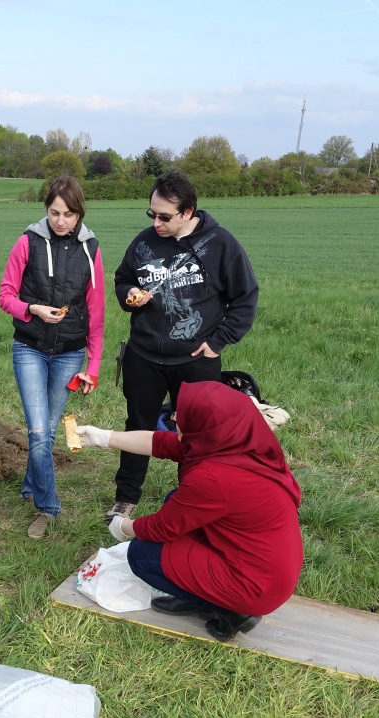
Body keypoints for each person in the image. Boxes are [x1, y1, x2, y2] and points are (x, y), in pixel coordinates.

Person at [75, 381, 302, 641]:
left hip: (254, 585)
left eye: (180, 415)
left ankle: (230, 611)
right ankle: (205, 591)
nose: (173, 418)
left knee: (141, 554)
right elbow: (160, 443)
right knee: (175, 499)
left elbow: (162, 528)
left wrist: (123, 526)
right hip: (268, 566)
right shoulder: (237, 443)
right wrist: (103, 437)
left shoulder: (214, 477)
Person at [107, 169, 259, 525]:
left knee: (196, 435)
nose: (156, 223)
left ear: (188, 212)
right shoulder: (144, 243)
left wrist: (218, 341)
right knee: (138, 424)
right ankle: (126, 498)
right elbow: (123, 277)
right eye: (152, 214)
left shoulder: (221, 244)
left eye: (164, 217)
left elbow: (245, 297)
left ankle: (191, 500)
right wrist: (129, 294)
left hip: (195, 360)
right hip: (144, 356)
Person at [0, 175, 106, 539]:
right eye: (55, 212)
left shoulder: (91, 250)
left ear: (79, 214)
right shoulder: (27, 242)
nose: (61, 221)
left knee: (48, 430)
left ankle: (30, 486)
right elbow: (5, 295)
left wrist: (93, 367)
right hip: (29, 348)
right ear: (46, 210)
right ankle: (48, 507)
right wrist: (32, 309)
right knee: (40, 431)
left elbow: (96, 314)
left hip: (70, 354)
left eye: (68, 214)